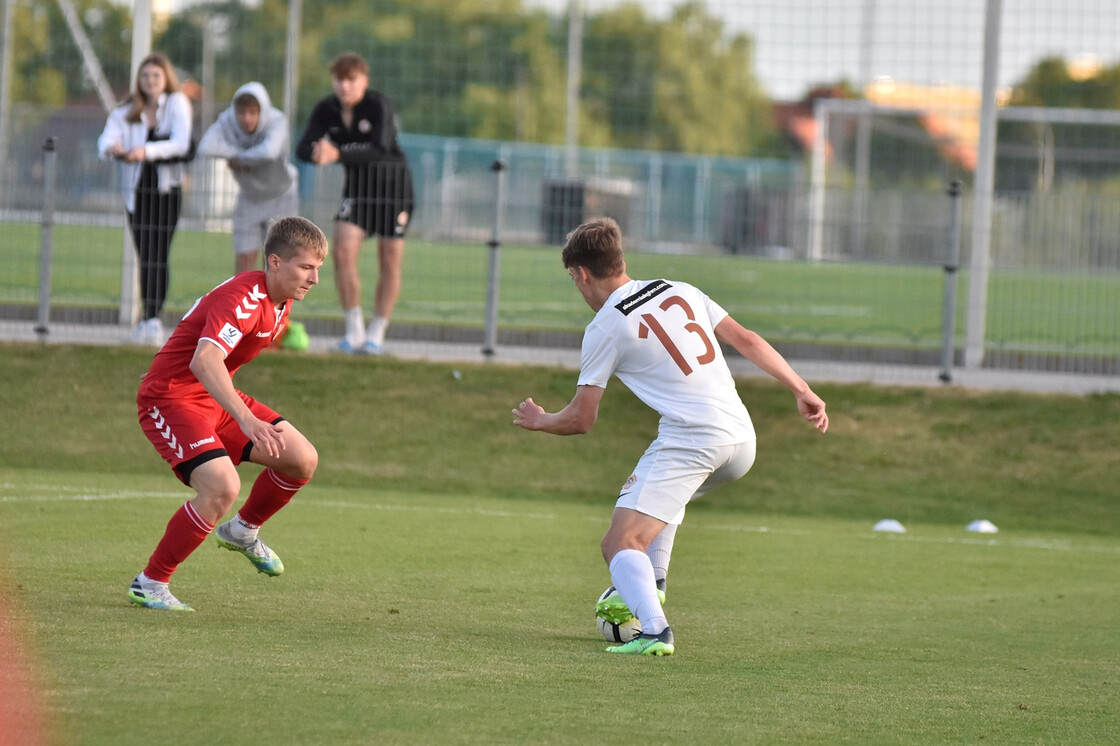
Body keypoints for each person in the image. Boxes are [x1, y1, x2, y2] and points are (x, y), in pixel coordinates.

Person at [511, 217, 829, 656]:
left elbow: (581, 419)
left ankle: (655, 630)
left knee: (619, 542)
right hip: (741, 439)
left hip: (694, 440)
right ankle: (652, 582)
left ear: (581, 273)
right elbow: (748, 339)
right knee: (660, 504)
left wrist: (540, 419)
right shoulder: (679, 288)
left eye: (573, 279)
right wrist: (802, 389)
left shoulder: (605, 326)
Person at [127, 216, 328, 612]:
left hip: (211, 398)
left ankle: (242, 530)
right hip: (170, 399)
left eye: (318, 269)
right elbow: (205, 359)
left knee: (301, 459)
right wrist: (246, 419)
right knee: (221, 487)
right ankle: (151, 583)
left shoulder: (281, 302)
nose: (314, 279)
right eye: (306, 267)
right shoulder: (244, 298)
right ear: (274, 262)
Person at [296, 51, 414, 355]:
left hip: (394, 189)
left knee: (389, 260)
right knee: (342, 250)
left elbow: (379, 147)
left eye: (351, 79)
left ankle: (377, 333)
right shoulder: (327, 108)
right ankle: (354, 330)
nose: (344, 86)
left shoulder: (378, 105)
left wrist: (337, 153)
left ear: (364, 81)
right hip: (357, 191)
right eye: (339, 79)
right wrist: (317, 151)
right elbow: (302, 147)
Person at [197, 81, 309, 351]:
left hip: (281, 196)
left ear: (263, 112)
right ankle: (241, 326)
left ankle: (274, 328)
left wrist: (238, 157)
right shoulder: (227, 121)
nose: (247, 119)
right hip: (249, 197)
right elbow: (205, 147)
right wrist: (241, 155)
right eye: (242, 112)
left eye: (253, 112)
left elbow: (268, 152)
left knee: (279, 264)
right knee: (244, 262)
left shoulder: (277, 121)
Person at [98, 52, 194, 346]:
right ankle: (146, 318)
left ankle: (153, 318)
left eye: (156, 76)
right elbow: (104, 140)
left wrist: (146, 151)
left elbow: (181, 142)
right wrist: (113, 148)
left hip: (167, 191)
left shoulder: (177, 103)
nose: (150, 81)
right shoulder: (128, 108)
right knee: (145, 254)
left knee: (159, 253)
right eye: (145, 76)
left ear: (165, 79)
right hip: (137, 192)